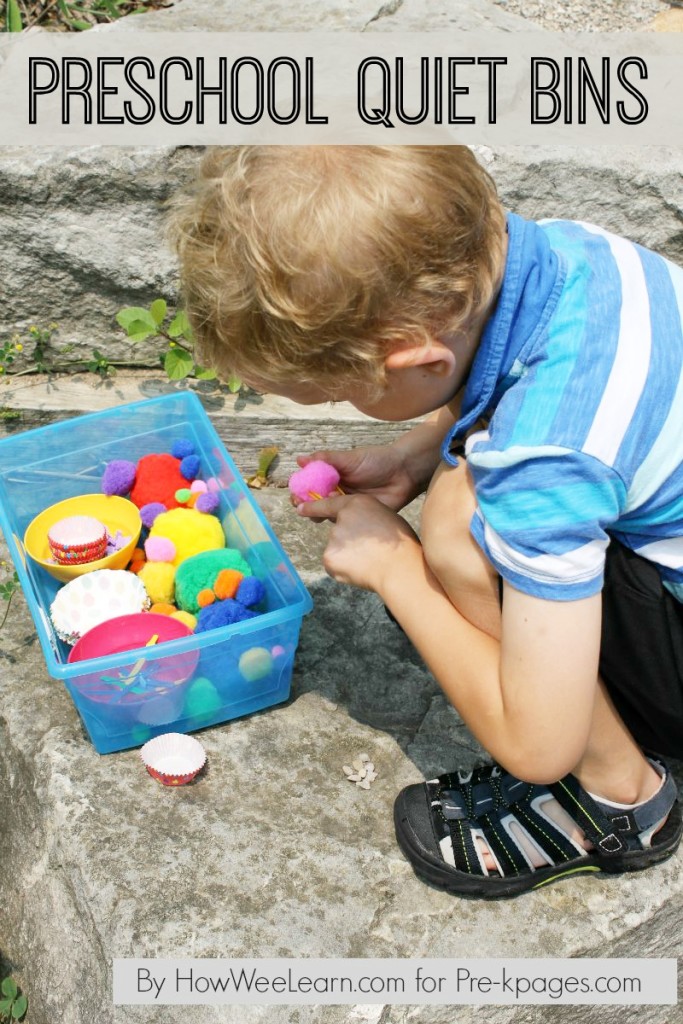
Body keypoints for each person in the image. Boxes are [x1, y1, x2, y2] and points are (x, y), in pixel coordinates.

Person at [168, 146, 683, 898]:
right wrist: (414, 452)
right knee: (454, 479)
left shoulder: (544, 455)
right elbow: (518, 378)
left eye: (332, 394)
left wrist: (395, 570)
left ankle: (621, 797)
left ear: (417, 359)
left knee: (455, 523)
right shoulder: (569, 252)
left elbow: (538, 747)